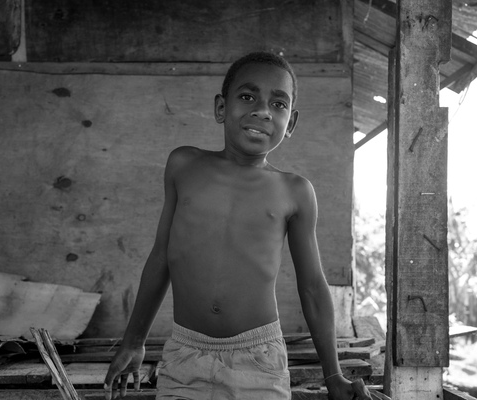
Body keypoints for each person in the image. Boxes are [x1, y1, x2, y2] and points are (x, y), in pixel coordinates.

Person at [103, 51, 372, 400]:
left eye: (278, 104)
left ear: (290, 123)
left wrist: (334, 375)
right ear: (220, 107)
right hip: (186, 356)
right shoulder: (184, 166)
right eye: (247, 97)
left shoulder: (295, 191)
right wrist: (133, 342)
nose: (262, 110)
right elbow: (161, 257)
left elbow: (313, 288)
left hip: (258, 361)